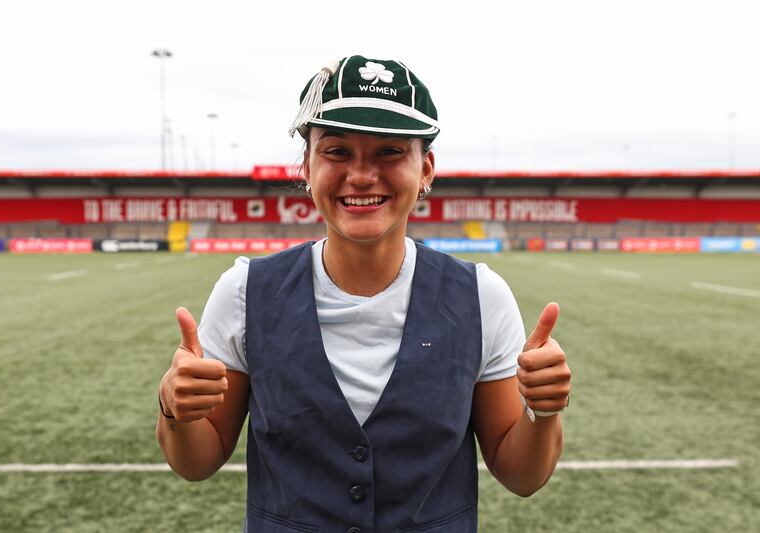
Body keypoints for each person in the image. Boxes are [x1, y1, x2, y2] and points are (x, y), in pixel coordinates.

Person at [156, 55, 571, 532]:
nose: (361, 175)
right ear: (306, 167)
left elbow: (521, 475)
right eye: (336, 152)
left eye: (389, 152)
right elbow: (196, 462)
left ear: (426, 169)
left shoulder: (481, 296)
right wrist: (176, 408)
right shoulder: (245, 292)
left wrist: (544, 412)